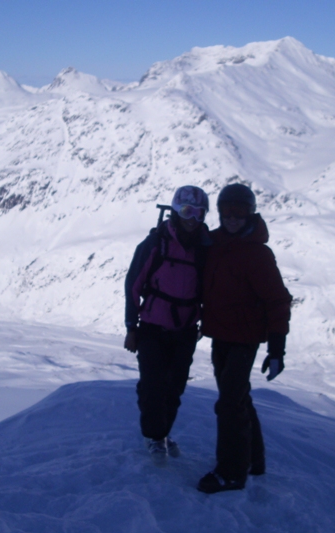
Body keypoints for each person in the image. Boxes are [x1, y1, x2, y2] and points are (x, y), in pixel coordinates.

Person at [197, 183, 292, 493]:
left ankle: (232, 473)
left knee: (228, 404)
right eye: (227, 212)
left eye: (240, 212)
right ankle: (253, 459)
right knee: (237, 397)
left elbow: (277, 300)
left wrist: (277, 348)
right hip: (220, 335)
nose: (233, 218)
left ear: (251, 213)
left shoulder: (258, 254)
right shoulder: (213, 243)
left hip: (245, 338)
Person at [124, 185, 211, 463]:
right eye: (186, 211)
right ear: (174, 210)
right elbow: (133, 285)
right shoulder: (155, 244)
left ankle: (162, 433)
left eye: (198, 213)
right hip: (151, 328)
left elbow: (212, 288)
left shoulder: (206, 249)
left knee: (174, 388)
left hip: (185, 331)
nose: (192, 218)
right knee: (152, 386)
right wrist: (131, 327)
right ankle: (154, 436)